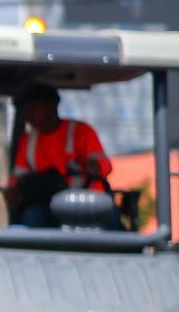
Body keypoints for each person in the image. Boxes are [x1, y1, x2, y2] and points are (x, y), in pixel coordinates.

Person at [7, 83, 112, 228]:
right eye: (25, 106)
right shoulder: (28, 140)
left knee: (112, 220)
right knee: (31, 218)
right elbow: (17, 177)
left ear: (52, 105)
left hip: (87, 203)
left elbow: (104, 166)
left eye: (33, 105)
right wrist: (12, 190)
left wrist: (94, 165)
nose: (27, 111)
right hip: (46, 205)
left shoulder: (80, 131)